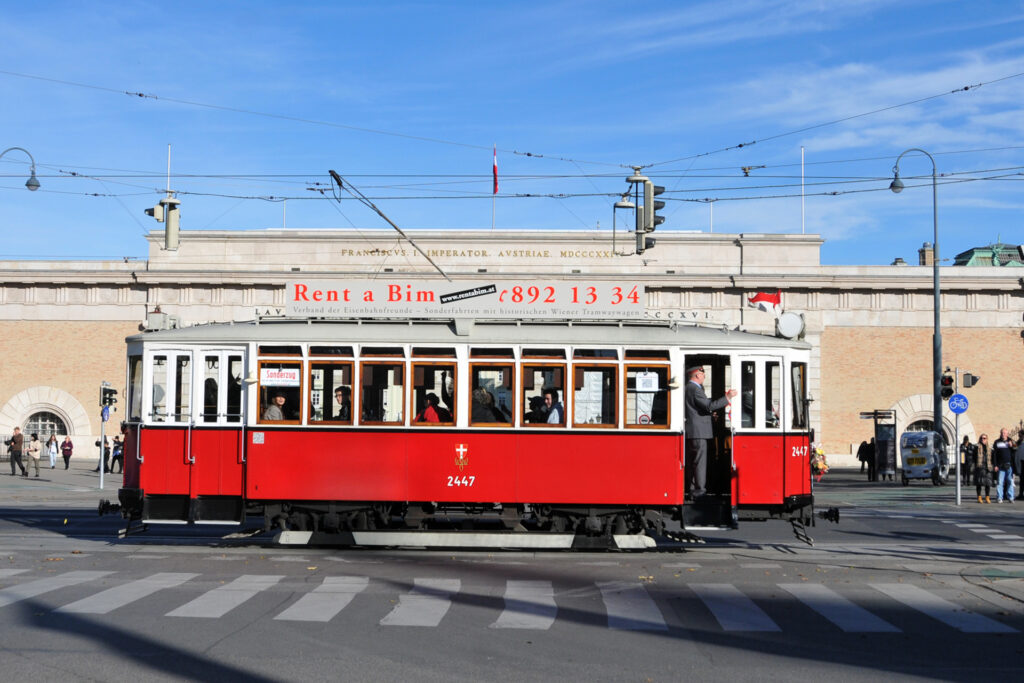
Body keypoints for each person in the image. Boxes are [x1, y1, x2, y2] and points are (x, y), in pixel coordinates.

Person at [684, 365, 737, 498]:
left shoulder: (690, 388)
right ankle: (699, 490)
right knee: (699, 462)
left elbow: (698, 410)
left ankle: (693, 488)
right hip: (698, 432)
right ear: (697, 375)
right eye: (703, 374)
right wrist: (728, 397)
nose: (704, 376)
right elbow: (709, 406)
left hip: (695, 430)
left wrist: (709, 416)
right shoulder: (695, 389)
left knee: (694, 462)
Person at [992, 427, 1016, 503]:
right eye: (1002, 433)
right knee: (1000, 482)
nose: (1003, 434)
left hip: (1009, 464)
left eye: (1005, 433)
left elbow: (1016, 450)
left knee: (1010, 481)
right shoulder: (997, 442)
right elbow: (994, 455)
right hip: (1000, 465)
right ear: (1000, 433)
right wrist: (995, 465)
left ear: (1007, 434)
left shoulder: (1011, 441)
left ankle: (1010, 497)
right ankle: (999, 497)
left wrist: (1012, 446)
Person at [974, 434, 993, 503]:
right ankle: (979, 497)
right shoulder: (976, 447)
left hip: (987, 467)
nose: (983, 439)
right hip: (979, 467)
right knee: (979, 483)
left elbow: (992, 457)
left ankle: (987, 497)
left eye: (984, 438)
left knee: (988, 483)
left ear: (987, 439)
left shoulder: (989, 448)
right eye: (981, 438)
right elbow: (974, 457)